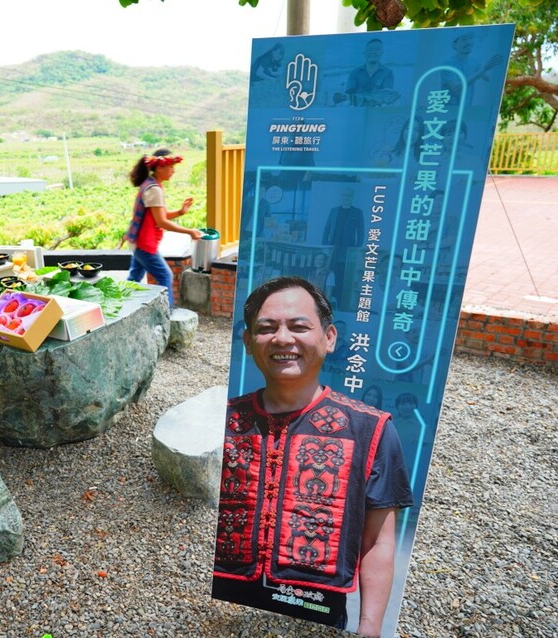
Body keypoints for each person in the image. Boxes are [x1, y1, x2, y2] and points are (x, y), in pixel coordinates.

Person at [212, 277, 413, 637]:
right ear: (247, 341)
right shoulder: (220, 419)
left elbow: (378, 541)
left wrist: (369, 628)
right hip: (223, 606)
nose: (282, 339)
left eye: (299, 327)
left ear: (329, 338)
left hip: (315, 612)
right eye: (266, 328)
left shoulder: (370, 430)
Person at [124, 149, 202, 307]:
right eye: (171, 167)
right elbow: (161, 221)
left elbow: (158, 215)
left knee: (134, 279)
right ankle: (167, 312)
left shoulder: (151, 184)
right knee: (165, 276)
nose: (173, 171)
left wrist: (180, 212)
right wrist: (189, 232)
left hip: (138, 241)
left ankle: (123, 306)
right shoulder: (154, 189)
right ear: (160, 167)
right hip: (144, 243)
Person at [339, 38, 399, 107]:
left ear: (382, 53)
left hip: (378, 109)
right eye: (371, 49)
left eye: (377, 49)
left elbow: (387, 95)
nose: (373, 52)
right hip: (358, 107)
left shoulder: (388, 73)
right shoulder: (354, 73)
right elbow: (349, 93)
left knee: (396, 103)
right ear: (365, 53)